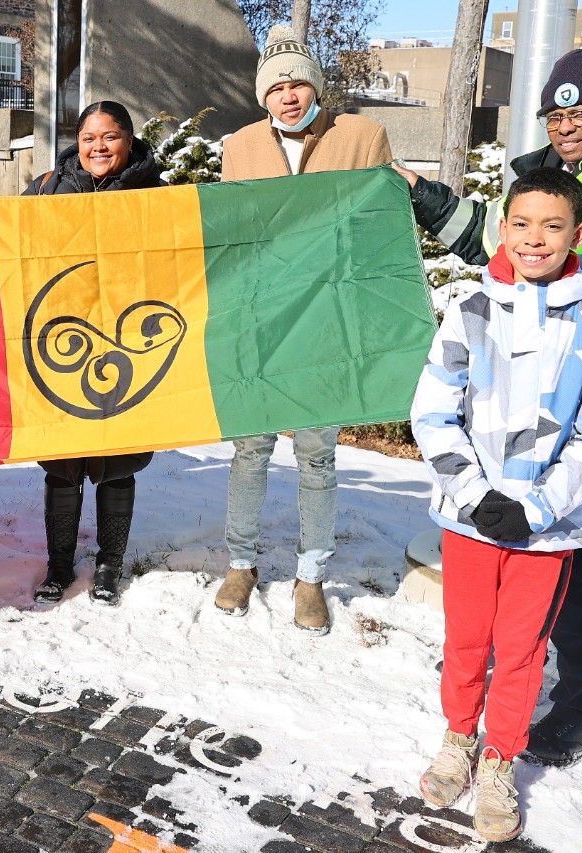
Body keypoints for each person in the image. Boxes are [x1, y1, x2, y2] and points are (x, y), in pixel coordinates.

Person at [392, 47, 582, 765]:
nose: (566, 126)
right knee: (511, 535)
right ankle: (499, 661)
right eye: (556, 114)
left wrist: (505, 270)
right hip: (526, 367)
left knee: (578, 541)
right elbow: (516, 237)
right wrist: (431, 199)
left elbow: (570, 279)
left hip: (581, 374)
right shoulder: (579, 180)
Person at [410, 168, 582, 842]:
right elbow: (432, 411)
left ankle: (501, 755)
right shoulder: (469, 310)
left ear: (577, 235)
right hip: (469, 519)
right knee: (466, 638)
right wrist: (476, 495)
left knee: (519, 649)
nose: (535, 238)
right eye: (522, 223)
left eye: (553, 225)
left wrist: (537, 507)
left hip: (549, 529)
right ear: (502, 227)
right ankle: (458, 738)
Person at [213, 25, 393, 635]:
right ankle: (241, 563)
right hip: (262, 319)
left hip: (327, 320)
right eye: (277, 87)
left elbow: (380, 225)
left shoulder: (361, 136)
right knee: (251, 446)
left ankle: (311, 574)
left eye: (298, 83)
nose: (288, 95)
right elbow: (229, 232)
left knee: (317, 453)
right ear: (263, 96)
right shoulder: (238, 146)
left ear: (316, 85)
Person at [21, 100, 165, 604]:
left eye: (110, 137)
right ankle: (58, 566)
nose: (98, 147)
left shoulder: (158, 195)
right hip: (61, 339)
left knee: (117, 455)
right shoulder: (46, 189)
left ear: (130, 140)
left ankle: (109, 563)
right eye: (88, 137)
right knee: (63, 460)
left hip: (131, 344)